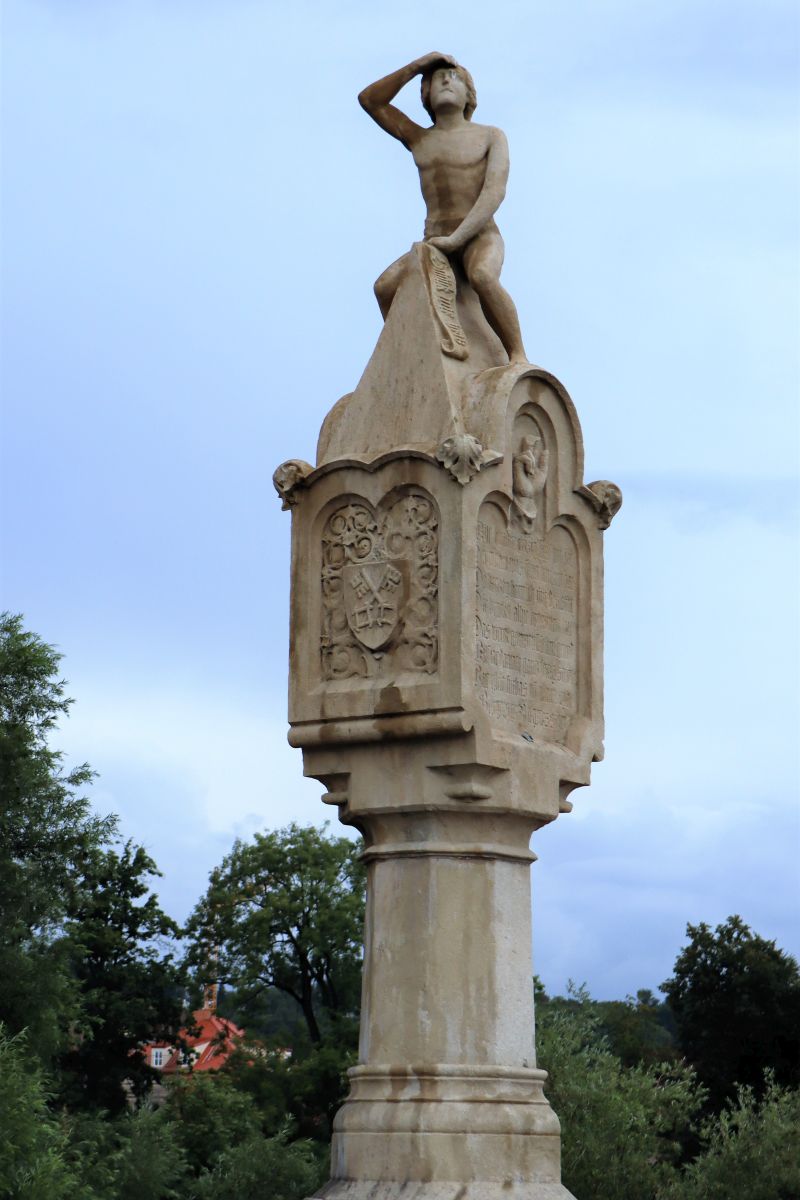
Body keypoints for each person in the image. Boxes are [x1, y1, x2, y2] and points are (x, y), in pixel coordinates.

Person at [358, 52, 527, 363]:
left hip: (479, 235)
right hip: (436, 239)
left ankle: (518, 354)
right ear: (426, 94)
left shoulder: (490, 136)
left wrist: (458, 239)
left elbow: (494, 193)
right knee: (384, 287)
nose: (447, 80)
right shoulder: (419, 137)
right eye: (438, 79)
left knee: (482, 276)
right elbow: (370, 100)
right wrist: (417, 66)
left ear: (469, 96)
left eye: (456, 78)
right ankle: (412, 352)